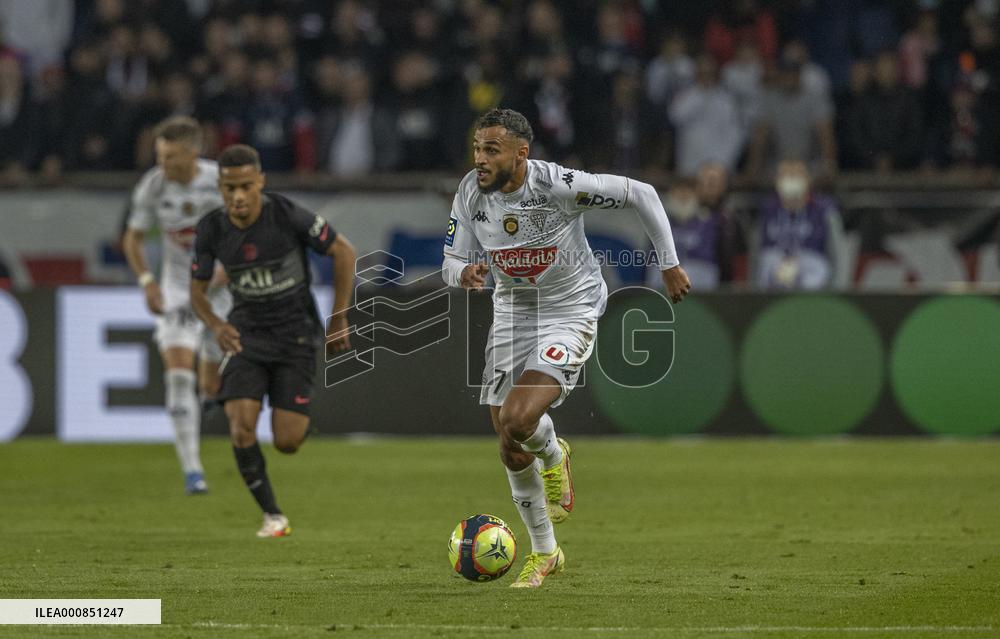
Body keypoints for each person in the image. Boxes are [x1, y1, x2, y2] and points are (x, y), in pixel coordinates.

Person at [442, 108, 690, 588]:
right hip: (512, 312)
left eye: (491, 150)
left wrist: (670, 264)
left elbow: (643, 192)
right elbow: (450, 259)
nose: (480, 159)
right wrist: (464, 273)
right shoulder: (470, 192)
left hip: (569, 310)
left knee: (518, 419)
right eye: (477, 148)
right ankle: (546, 552)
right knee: (509, 445)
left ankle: (554, 455)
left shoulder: (558, 185)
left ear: (521, 153)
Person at [190, 144, 355, 538]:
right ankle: (272, 516)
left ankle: (284, 412)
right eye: (230, 188)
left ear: (260, 182)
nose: (238, 196)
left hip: (295, 336)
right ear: (220, 187)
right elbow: (196, 293)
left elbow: (344, 252)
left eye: (246, 186)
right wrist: (215, 324)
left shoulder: (287, 214)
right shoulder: (211, 228)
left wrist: (339, 318)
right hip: (245, 336)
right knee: (241, 426)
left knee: (287, 441)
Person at [122, 116, 231, 495]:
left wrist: (229, 270)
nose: (164, 164)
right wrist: (147, 281)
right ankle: (193, 470)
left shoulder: (221, 181)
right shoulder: (153, 185)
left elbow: (250, 230)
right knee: (179, 373)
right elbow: (132, 239)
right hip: (177, 289)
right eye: (160, 155)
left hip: (220, 289)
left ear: (193, 152)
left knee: (210, 382)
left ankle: (211, 387)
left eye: (171, 157)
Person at [753, 159, 844, 290]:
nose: (791, 179)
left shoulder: (824, 210)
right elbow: (755, 254)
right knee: (768, 260)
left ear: (808, 180)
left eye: (796, 175)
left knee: (817, 268)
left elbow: (837, 255)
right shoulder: (767, 210)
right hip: (775, 269)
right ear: (777, 181)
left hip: (811, 269)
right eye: (786, 175)